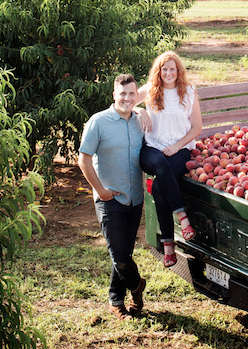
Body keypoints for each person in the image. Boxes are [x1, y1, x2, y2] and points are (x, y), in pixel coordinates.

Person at [78, 73, 147, 321]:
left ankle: (116, 301)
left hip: (135, 198)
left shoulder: (140, 120)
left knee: (124, 254)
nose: (127, 98)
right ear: (114, 95)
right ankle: (137, 286)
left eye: (132, 94)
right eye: (122, 94)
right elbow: (83, 160)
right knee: (119, 255)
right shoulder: (98, 122)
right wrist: (101, 190)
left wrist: (143, 112)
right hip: (109, 199)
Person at [132, 51, 201, 268]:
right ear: (158, 71)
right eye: (164, 69)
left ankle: (168, 245)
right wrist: (139, 111)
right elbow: (123, 101)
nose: (168, 73)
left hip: (180, 149)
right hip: (153, 148)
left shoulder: (189, 92)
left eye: (172, 69)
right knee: (160, 165)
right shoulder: (151, 90)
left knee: (160, 185)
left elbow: (197, 128)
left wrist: (177, 146)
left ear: (178, 71)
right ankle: (183, 217)